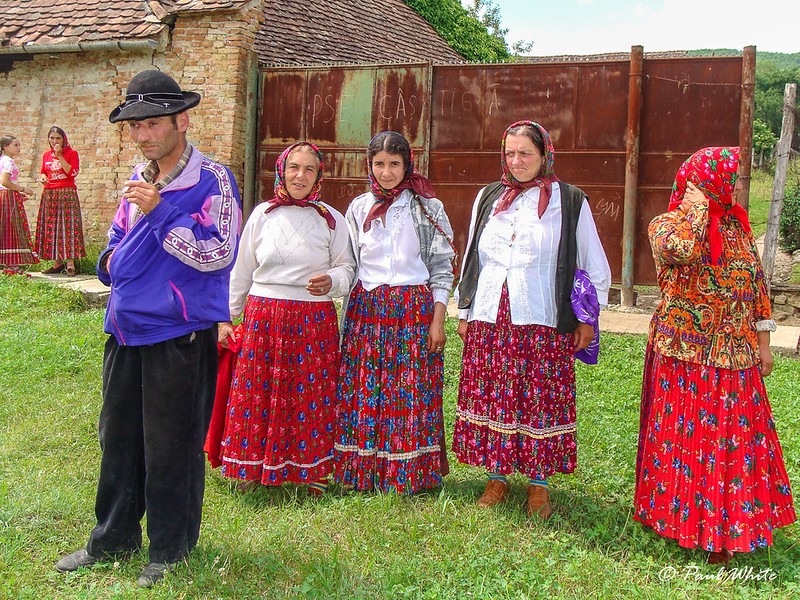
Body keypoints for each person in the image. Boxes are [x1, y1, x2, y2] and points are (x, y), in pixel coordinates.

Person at [54, 70, 242, 588]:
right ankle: (111, 538)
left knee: (172, 443)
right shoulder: (141, 176)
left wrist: (161, 215)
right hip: (125, 327)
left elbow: (217, 254)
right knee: (118, 437)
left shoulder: (214, 181)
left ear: (182, 119)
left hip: (177, 334)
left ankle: (170, 548)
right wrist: (111, 260)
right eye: (134, 126)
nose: (142, 136)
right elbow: (118, 236)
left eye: (152, 123)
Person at [634, 146, 796, 564]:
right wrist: (696, 212)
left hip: (735, 356)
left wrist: (763, 345)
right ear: (702, 181)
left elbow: (757, 288)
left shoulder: (738, 227)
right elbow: (683, 252)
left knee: (731, 447)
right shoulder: (667, 223)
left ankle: (726, 530)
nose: (737, 185)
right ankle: (684, 524)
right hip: (684, 356)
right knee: (689, 444)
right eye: (729, 177)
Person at [453, 121, 611, 518]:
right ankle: (498, 474)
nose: (517, 161)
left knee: (539, 396)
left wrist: (587, 318)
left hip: (541, 316)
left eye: (526, 153)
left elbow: (591, 261)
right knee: (495, 392)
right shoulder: (489, 196)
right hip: (491, 315)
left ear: (545, 156)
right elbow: (474, 253)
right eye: (510, 153)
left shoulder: (570, 200)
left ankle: (538, 484)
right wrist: (466, 309)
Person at [214, 141, 355, 496]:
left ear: (319, 175)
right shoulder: (262, 214)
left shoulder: (330, 218)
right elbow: (242, 269)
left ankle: (309, 471)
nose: (300, 176)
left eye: (309, 169)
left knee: (309, 393)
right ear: (281, 170)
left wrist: (332, 282)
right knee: (258, 392)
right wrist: (227, 317)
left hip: (312, 319)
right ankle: (249, 467)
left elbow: (347, 268)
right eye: (294, 167)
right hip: (264, 316)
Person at [332, 131, 456, 494]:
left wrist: (438, 319)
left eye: (394, 164)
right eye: (379, 164)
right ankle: (361, 471)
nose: (387, 172)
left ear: (408, 165)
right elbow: (349, 264)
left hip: (412, 310)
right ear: (369, 166)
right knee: (363, 389)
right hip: (366, 311)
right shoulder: (357, 208)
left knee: (408, 391)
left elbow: (442, 267)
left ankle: (407, 472)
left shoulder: (427, 207)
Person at [36, 126, 86, 276]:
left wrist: (60, 156)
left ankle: (70, 263)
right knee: (52, 227)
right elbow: (44, 172)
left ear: (63, 139)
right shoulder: (46, 155)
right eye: (52, 138)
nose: (54, 141)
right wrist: (43, 178)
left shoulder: (71, 153)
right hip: (50, 193)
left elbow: (72, 172)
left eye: (58, 138)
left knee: (68, 226)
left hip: (67, 193)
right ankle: (57, 263)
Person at [0, 135, 38, 273]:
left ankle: (8, 264)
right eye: (15, 145)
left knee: (6, 228)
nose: (18, 148)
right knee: (12, 228)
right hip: (7, 197)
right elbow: (5, 182)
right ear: (5, 147)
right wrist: (23, 189)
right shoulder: (8, 161)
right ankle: (12, 265)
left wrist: (17, 193)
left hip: (6, 194)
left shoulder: (2, 160)